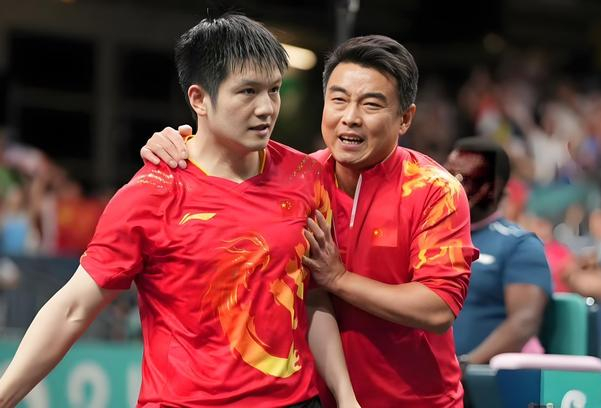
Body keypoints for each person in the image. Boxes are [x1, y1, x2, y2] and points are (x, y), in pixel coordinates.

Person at [0, 14, 360, 408]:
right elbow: (73, 308)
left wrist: (346, 397)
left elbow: (312, 295)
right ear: (199, 99)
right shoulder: (150, 195)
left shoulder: (306, 176)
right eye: (247, 92)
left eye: (273, 90)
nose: (266, 108)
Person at [143, 35, 478, 408]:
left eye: (370, 104)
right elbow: (225, 156)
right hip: (316, 399)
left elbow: (437, 307)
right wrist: (178, 144)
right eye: (338, 99)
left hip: (419, 401)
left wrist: (339, 280)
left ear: (405, 119)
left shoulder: (435, 191)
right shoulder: (298, 178)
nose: (350, 117)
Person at [443, 137, 552, 366]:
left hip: (483, 378)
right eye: (449, 175)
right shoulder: (428, 237)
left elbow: (524, 322)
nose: (453, 185)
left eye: (467, 178)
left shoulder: (520, 245)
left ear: (495, 188)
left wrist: (465, 366)